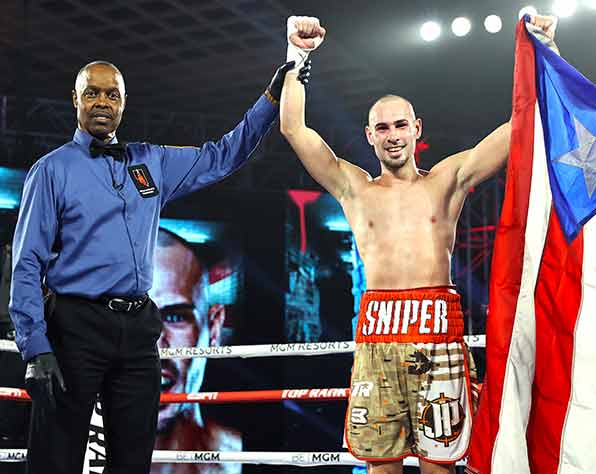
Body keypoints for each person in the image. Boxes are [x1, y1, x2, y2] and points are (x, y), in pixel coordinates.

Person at [8, 41, 309, 473]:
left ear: (124, 103)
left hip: (137, 331)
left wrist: (272, 96)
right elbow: (27, 265)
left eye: (112, 94)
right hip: (74, 326)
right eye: (92, 92)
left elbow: (225, 154)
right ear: (75, 99)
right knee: (56, 459)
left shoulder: (150, 162)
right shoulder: (51, 170)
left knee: (133, 460)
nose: (102, 102)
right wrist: (35, 349)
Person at [280, 15, 557, 474]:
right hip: (377, 339)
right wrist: (298, 55)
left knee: (439, 468)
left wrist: (544, 52)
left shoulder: (446, 181)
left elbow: (520, 127)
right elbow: (295, 129)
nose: (392, 135)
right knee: (381, 466)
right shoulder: (355, 189)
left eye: (400, 125)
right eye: (382, 128)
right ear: (370, 136)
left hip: (437, 334)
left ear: (416, 129)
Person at [151, 228, 241, 474]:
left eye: (173, 316)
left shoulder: (241, 458)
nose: (156, 347)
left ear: (214, 328)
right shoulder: (63, 454)